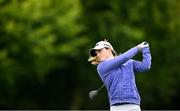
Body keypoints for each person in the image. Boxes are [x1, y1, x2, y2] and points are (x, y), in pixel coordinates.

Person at [88, 39, 151, 111]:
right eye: (96, 53)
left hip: (133, 104)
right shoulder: (101, 67)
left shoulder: (129, 62)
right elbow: (124, 57)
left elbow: (145, 66)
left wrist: (146, 49)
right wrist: (138, 48)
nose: (97, 54)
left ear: (108, 49)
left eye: (99, 51)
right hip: (117, 107)